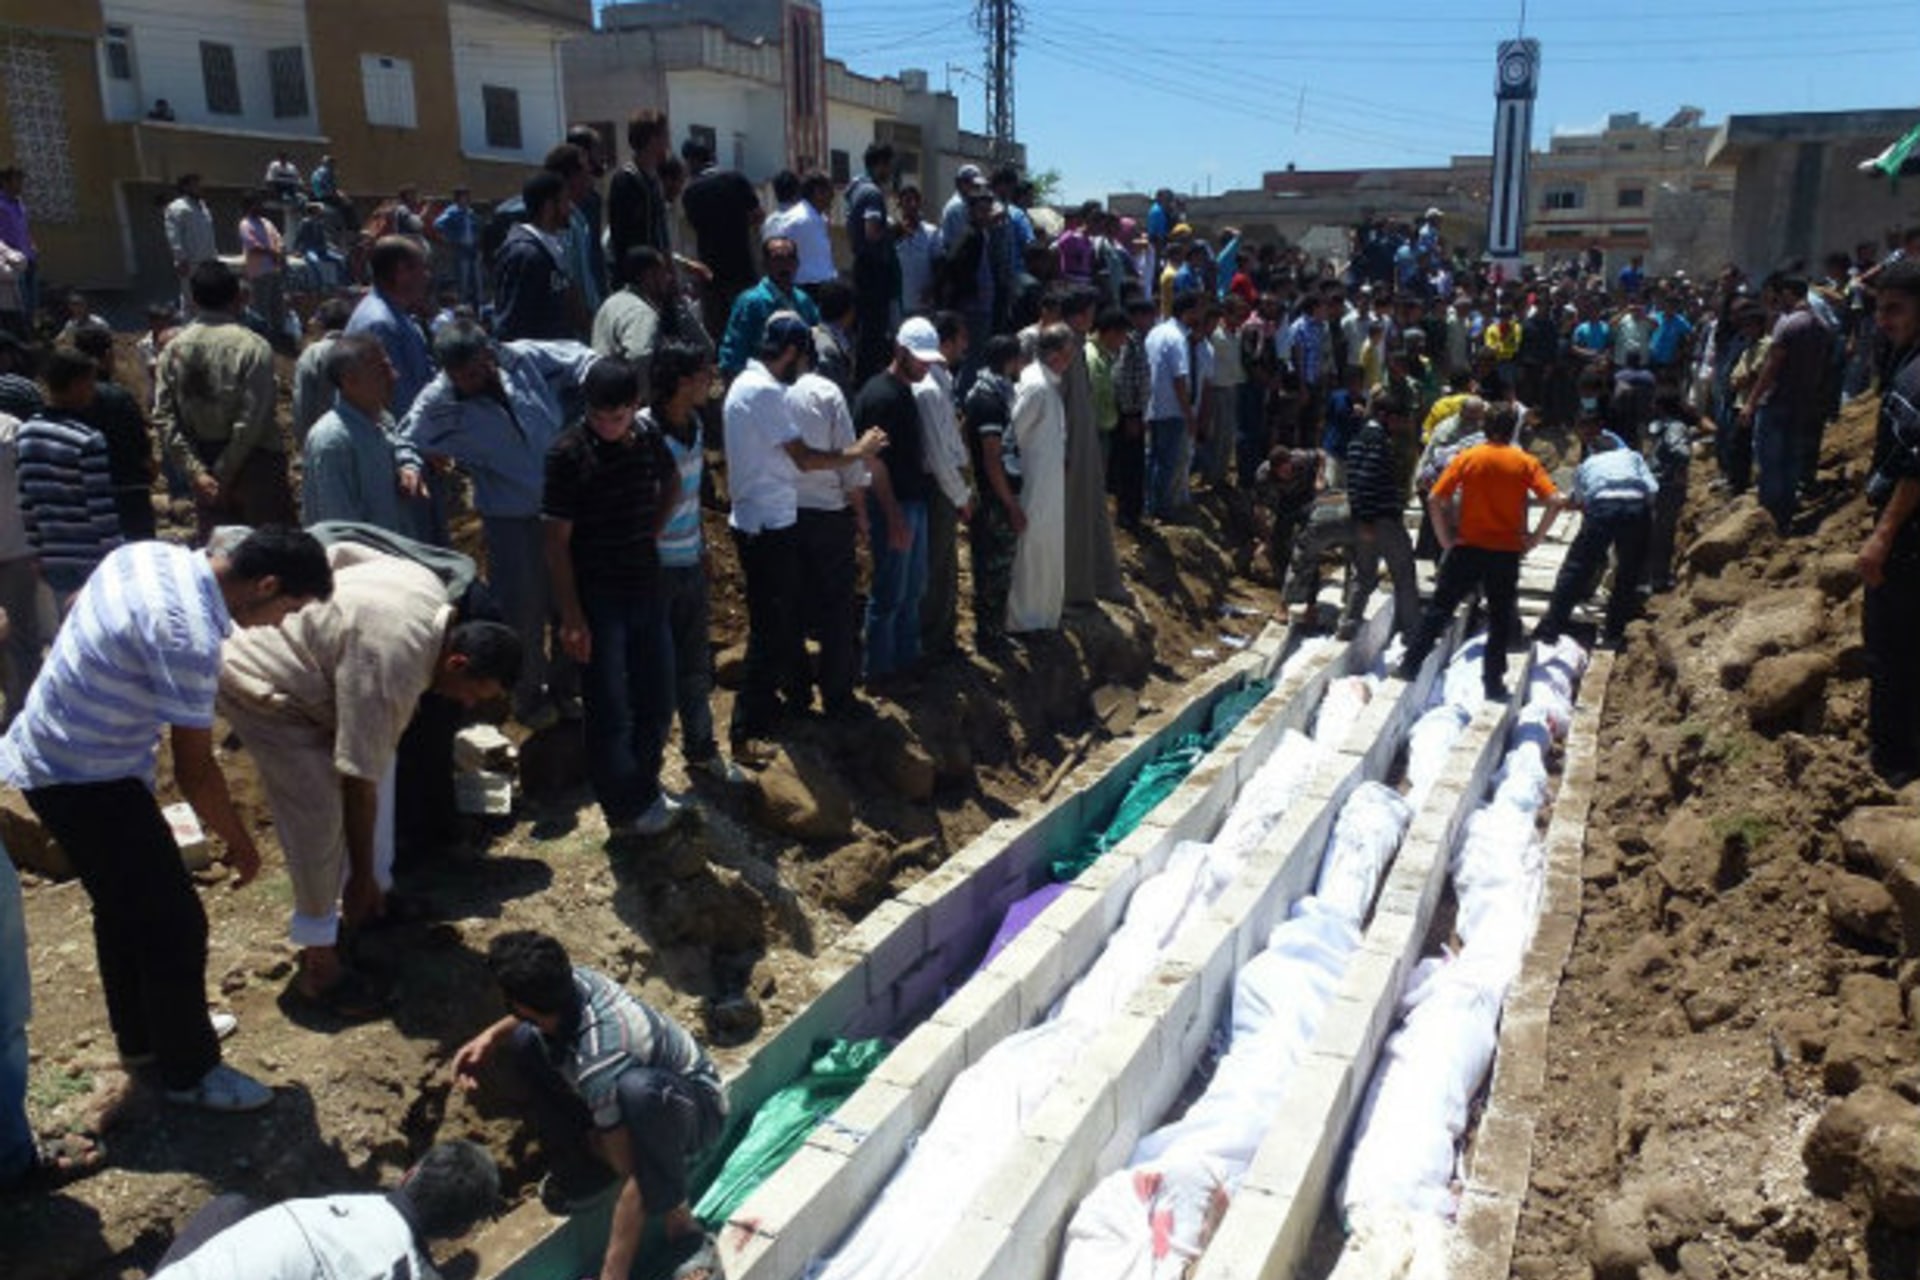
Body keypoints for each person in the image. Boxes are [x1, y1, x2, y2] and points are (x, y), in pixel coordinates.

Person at [0, 529, 332, 1111]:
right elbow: (196, 769)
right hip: (85, 775)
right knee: (176, 922)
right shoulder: (188, 634)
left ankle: (145, 1042)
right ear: (267, 585)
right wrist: (241, 843)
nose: (282, 624)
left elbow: (79, 606)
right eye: (289, 610)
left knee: (124, 907)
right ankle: (191, 1071)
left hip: (53, 751)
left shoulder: (147, 556)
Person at [219, 541, 520, 1017]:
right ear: (456, 662)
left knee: (384, 754)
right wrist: (356, 873)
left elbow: (338, 552)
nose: (466, 705)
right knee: (315, 807)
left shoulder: (426, 589)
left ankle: (376, 900)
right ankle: (321, 966)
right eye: (470, 693)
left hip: (316, 665)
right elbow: (356, 779)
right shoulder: (395, 664)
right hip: (258, 676)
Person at [452, 931, 726, 1280]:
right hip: (633, 1097)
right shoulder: (572, 982)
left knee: (640, 1094)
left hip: (696, 1110)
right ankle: (589, 1166)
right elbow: (531, 1017)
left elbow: (637, 1177)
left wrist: (611, 1273)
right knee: (524, 1041)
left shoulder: (601, 1059)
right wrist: (489, 1037)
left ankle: (684, 1232)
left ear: (521, 1005)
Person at [406, 322, 598, 727]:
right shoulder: (441, 401)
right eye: (459, 376)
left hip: (563, 507)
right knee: (522, 612)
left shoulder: (523, 358)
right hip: (512, 519)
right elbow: (406, 436)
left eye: (475, 371)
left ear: (488, 356)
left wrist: (592, 394)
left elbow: (583, 357)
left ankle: (567, 688)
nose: (470, 382)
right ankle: (528, 697)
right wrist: (415, 460)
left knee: (570, 601)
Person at [723, 314, 885, 748]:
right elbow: (807, 459)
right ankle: (749, 727)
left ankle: (790, 699)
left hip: (777, 517)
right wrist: (861, 451)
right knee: (787, 622)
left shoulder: (749, 384)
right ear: (795, 353)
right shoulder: (764, 392)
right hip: (774, 522)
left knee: (784, 616)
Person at [544, 358, 683, 837]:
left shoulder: (646, 438)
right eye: (599, 417)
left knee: (658, 697)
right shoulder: (567, 454)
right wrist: (571, 615)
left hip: (645, 584)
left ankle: (642, 787)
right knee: (609, 706)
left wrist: (651, 530)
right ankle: (623, 810)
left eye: (617, 417)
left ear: (635, 406)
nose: (607, 426)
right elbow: (556, 542)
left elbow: (674, 482)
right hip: (598, 595)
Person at [1396, 406, 1564, 699]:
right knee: (1499, 620)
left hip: (1467, 547)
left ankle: (1410, 666)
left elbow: (1435, 497)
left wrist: (1445, 538)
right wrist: (1534, 539)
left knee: (1439, 610)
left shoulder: (1468, 457)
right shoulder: (1525, 462)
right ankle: (1493, 684)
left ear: (1485, 427)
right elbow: (1554, 500)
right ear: (1513, 428)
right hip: (1505, 552)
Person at [150, 1140, 498, 1278]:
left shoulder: (338, 1210)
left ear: (409, 1175)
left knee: (231, 1208)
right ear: (462, 1231)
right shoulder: (409, 1270)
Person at [154, 261, 296, 543]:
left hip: (203, 464)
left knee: (222, 565)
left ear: (193, 299)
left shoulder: (171, 350)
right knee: (272, 556)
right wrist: (224, 472)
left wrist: (199, 474)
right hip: (255, 466)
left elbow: (163, 417)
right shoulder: (253, 346)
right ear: (237, 297)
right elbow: (253, 417)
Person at [786, 321, 870, 720]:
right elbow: (850, 461)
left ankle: (796, 693)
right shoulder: (825, 392)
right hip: (828, 513)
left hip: (783, 515)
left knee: (792, 606)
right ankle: (838, 696)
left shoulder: (764, 394)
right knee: (837, 608)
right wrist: (862, 514)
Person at [1858, 259, 1920, 788]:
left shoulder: (1917, 376)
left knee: (1892, 645)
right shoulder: (1907, 360)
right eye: (1879, 309)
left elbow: (1917, 465)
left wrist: (1882, 535)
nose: (1884, 320)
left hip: (1908, 541)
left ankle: (1894, 761)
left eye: (1895, 309)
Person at [855, 320, 941, 688]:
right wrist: (892, 517)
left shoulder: (904, 391)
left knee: (912, 588)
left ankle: (907, 660)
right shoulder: (880, 398)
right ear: (901, 352)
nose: (926, 367)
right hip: (894, 505)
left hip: (912, 502)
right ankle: (879, 671)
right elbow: (873, 463)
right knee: (890, 590)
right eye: (920, 360)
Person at [1533, 426, 1657, 650]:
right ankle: (1614, 631)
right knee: (1628, 572)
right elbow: (1652, 488)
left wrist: (1569, 504)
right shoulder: (1633, 456)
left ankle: (1550, 630)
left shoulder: (1586, 465)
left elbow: (1579, 500)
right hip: (1637, 509)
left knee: (1577, 568)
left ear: (1594, 451)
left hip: (1603, 509)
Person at [16, 346, 119, 608]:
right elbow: (101, 510)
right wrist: (117, 556)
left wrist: (37, 551)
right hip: (93, 559)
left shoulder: (26, 434)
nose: (93, 390)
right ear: (75, 384)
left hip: (54, 557)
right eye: (90, 382)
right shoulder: (87, 440)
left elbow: (26, 502)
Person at [301, 335, 428, 532]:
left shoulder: (382, 419)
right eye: (382, 372)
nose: (394, 376)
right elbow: (341, 530)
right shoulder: (332, 441)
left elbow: (401, 444)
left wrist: (408, 465)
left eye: (390, 367)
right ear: (350, 381)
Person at [1741, 275, 1831, 534]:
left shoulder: (1787, 324)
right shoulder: (1822, 326)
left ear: (1788, 294)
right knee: (1792, 458)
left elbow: (1771, 366)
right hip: (1804, 402)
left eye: (1778, 295)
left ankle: (1770, 515)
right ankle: (1786, 512)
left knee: (1770, 460)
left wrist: (1751, 402)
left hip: (1777, 401)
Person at [1058, 289, 1126, 605]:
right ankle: (1074, 588)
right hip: (1072, 446)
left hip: (1083, 442)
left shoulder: (1076, 344)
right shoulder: (1065, 345)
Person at [1007, 324, 1073, 634]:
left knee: (1047, 547)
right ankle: (1024, 619)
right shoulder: (1036, 386)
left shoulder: (1049, 384)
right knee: (1031, 549)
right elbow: (1013, 434)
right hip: (1033, 483)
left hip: (1049, 484)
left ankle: (1045, 616)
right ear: (1057, 353)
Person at [1340, 391, 1421, 639]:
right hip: (1381, 519)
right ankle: (1412, 632)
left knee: (1363, 575)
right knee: (1404, 574)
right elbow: (1366, 480)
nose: (1400, 425)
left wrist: (1360, 518)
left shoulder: (1358, 438)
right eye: (1398, 419)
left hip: (1364, 518)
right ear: (1385, 416)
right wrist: (1367, 520)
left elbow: (1353, 481)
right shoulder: (1376, 441)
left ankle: (1349, 624)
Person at [915, 314, 972, 660]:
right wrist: (961, 495)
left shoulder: (942, 381)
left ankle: (942, 636)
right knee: (937, 566)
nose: (966, 346)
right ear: (945, 342)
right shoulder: (930, 389)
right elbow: (939, 452)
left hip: (946, 483)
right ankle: (934, 643)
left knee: (945, 565)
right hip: (938, 487)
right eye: (961, 339)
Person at [68, 323, 159, 541]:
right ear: (108, 355)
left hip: (82, 494)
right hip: (127, 491)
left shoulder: (67, 397)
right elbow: (141, 447)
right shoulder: (118, 397)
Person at [592, 246, 715, 397]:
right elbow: (640, 357)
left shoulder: (611, 303)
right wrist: (647, 401)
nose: (669, 278)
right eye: (664, 273)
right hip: (624, 406)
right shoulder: (643, 313)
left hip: (604, 397)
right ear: (650, 276)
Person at [346, 236, 437, 428]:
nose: (427, 276)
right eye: (423, 268)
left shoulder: (397, 316)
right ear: (402, 271)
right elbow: (399, 403)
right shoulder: (382, 324)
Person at [679, 140, 764, 339]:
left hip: (710, 274)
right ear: (713, 157)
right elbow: (758, 215)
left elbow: (695, 226)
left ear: (690, 162)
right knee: (748, 328)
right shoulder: (735, 179)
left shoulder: (691, 192)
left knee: (717, 333)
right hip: (742, 268)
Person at [718, 237, 820, 377]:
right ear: (765, 264)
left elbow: (817, 336)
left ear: (797, 263)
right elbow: (734, 353)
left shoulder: (803, 301)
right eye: (777, 259)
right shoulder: (751, 302)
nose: (785, 265)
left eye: (790, 258)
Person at [495, 171, 578, 343]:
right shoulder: (525, 255)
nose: (570, 208)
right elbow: (512, 326)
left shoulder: (553, 246)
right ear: (549, 206)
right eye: (565, 201)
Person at [1145, 291, 1203, 521]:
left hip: (1152, 406)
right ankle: (1163, 509)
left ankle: (1150, 506)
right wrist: (1189, 415)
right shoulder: (1178, 338)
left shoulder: (1156, 332)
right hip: (1172, 409)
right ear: (1188, 312)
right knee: (1167, 462)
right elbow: (1180, 380)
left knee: (1153, 460)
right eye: (1197, 310)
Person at [846, 143, 897, 380]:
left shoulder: (856, 188)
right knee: (873, 333)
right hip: (874, 270)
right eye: (889, 165)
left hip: (863, 267)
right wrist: (894, 230)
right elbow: (872, 231)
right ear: (881, 164)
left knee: (866, 332)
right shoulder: (872, 193)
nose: (891, 171)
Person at [607, 110, 671, 283]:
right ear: (652, 139)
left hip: (657, 276)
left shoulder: (654, 180)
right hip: (638, 279)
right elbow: (623, 237)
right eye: (664, 135)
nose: (667, 142)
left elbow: (660, 232)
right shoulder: (626, 179)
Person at [291, 297, 356, 447]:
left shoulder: (313, 353)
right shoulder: (360, 350)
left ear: (321, 323)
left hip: (324, 442)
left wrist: (305, 444)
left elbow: (302, 405)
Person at [163, 175, 218, 311]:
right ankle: (189, 329)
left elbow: (209, 234)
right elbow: (173, 235)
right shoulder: (176, 207)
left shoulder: (203, 206)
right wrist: (180, 259)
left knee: (209, 300)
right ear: (185, 187)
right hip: (190, 264)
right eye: (196, 185)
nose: (200, 188)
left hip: (208, 262)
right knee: (191, 302)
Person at [237, 191, 285, 336]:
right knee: (260, 307)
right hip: (259, 272)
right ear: (249, 206)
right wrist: (272, 253)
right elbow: (253, 246)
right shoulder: (245, 224)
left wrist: (279, 252)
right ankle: (262, 337)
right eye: (256, 204)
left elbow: (278, 239)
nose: (260, 206)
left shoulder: (266, 222)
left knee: (277, 305)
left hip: (274, 270)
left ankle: (278, 335)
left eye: (260, 203)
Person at [894, 184, 940, 320]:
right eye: (908, 200)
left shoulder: (931, 232)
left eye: (916, 200)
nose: (913, 204)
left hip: (924, 305)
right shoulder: (891, 232)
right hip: (899, 305)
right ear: (900, 204)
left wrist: (932, 288)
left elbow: (939, 266)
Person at [435, 185, 482, 307]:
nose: (467, 199)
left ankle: (476, 306)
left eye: (467, 196)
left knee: (477, 280)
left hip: (473, 249)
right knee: (463, 280)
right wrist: (451, 238)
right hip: (461, 250)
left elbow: (477, 227)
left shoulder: (470, 211)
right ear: (458, 198)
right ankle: (462, 307)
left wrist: (477, 236)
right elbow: (438, 224)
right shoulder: (452, 211)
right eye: (464, 196)